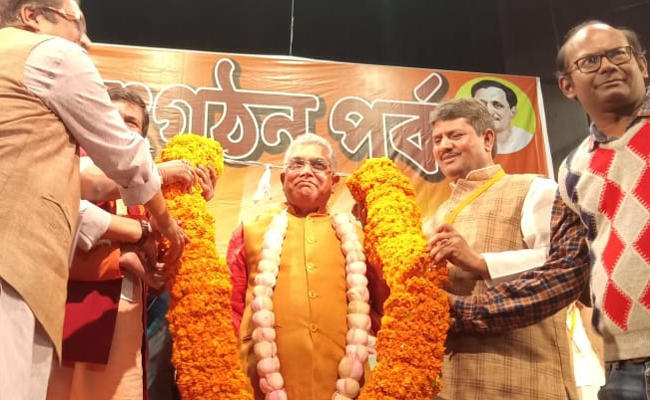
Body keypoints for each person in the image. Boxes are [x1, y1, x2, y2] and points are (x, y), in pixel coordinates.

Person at [446, 21, 650, 399]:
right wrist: (453, 311)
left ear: (642, 64)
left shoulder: (531, 188)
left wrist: (480, 267)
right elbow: (564, 272)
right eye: (589, 61)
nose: (607, 66)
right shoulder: (573, 170)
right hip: (625, 365)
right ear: (567, 85)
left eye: (618, 54)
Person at [0, 1, 186, 398]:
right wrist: (161, 228)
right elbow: (125, 160)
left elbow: (82, 185)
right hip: (14, 269)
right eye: (77, 23)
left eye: (132, 122)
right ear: (32, 16)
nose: (86, 41)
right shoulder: (51, 53)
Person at [425, 98, 576, 399]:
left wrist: (482, 262)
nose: (444, 146)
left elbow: (565, 266)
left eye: (455, 135)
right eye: (437, 140)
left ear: (487, 138)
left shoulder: (533, 189)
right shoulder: (435, 217)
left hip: (523, 381)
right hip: (448, 386)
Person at [227, 133, 389, 400]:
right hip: (261, 382)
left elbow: (381, 308)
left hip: (343, 383)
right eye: (297, 164)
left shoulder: (360, 238)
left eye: (318, 165)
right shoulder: (249, 232)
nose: (306, 171)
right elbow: (230, 309)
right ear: (283, 178)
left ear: (334, 182)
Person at [471, 79, 533, 154]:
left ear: (512, 112)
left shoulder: (525, 139)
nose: (489, 111)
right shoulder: (464, 138)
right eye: (481, 104)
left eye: (497, 105)